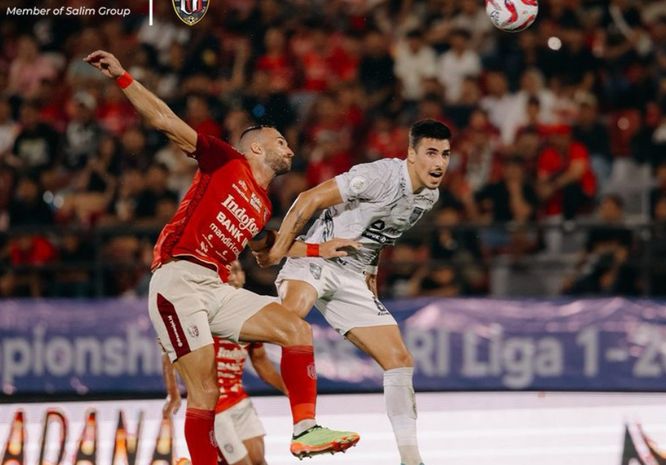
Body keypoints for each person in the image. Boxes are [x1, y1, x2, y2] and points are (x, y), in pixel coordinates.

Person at [84, 50, 359, 465]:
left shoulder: (263, 204)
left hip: (215, 287)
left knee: (295, 329)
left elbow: (267, 252)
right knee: (207, 390)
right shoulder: (225, 160)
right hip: (177, 280)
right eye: (279, 141)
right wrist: (123, 77)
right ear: (254, 147)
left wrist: (320, 249)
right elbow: (164, 121)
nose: (289, 147)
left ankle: (306, 430)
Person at [257, 119, 452, 465]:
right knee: (292, 317)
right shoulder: (380, 176)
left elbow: (380, 235)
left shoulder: (429, 198)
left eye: (445, 155)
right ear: (410, 154)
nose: (439, 163)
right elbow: (309, 198)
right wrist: (280, 249)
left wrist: (371, 273)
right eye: (431, 153)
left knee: (399, 361)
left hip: (352, 274)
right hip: (317, 255)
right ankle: (303, 424)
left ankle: (411, 459)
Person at [162, 261, 286, 465]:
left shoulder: (252, 312)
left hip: (239, 400)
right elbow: (170, 350)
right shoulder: (206, 310)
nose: (232, 276)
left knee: (259, 461)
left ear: (244, 276)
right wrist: (173, 393)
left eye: (236, 270)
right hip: (214, 407)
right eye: (226, 272)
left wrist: (290, 390)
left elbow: (261, 362)